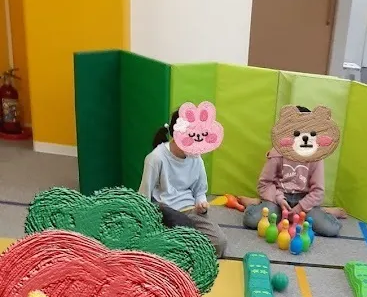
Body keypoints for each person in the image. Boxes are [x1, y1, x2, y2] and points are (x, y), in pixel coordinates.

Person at [241, 106, 345, 238]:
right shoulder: (277, 153)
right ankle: (254, 204)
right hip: (278, 199)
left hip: (304, 200)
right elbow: (265, 183)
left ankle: (325, 211)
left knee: (331, 229)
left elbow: (317, 191)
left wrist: (299, 208)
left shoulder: (316, 157)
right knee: (251, 220)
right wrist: (279, 199)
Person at [139, 109, 228, 258]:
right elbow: (143, 197)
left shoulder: (196, 158)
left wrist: (202, 204)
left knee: (219, 243)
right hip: (164, 212)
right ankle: (174, 243)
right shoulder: (156, 158)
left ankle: (178, 245)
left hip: (190, 212)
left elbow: (200, 191)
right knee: (173, 229)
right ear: (176, 135)